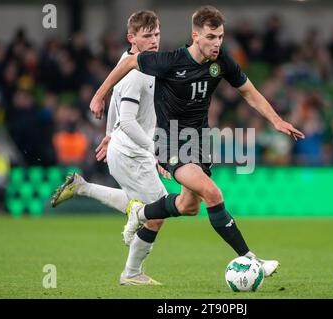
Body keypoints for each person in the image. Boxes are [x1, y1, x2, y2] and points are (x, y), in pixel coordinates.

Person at [90, 6, 305, 277]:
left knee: (187, 207)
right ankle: (252, 260)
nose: (217, 43)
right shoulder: (170, 61)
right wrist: (100, 95)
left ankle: (140, 215)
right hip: (170, 141)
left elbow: (249, 92)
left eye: (220, 37)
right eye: (211, 37)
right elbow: (129, 62)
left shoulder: (222, 62)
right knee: (213, 193)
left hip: (199, 141)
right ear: (195, 36)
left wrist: (276, 120)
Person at [51, 10, 171, 285]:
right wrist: (155, 153)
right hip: (131, 152)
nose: (154, 40)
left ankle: (83, 187)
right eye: (147, 36)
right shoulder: (136, 73)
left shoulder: (129, 63)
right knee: (159, 212)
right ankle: (131, 273)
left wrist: (108, 134)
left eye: (157, 34)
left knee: (152, 208)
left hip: (125, 148)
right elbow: (127, 120)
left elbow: (115, 104)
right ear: (132, 38)